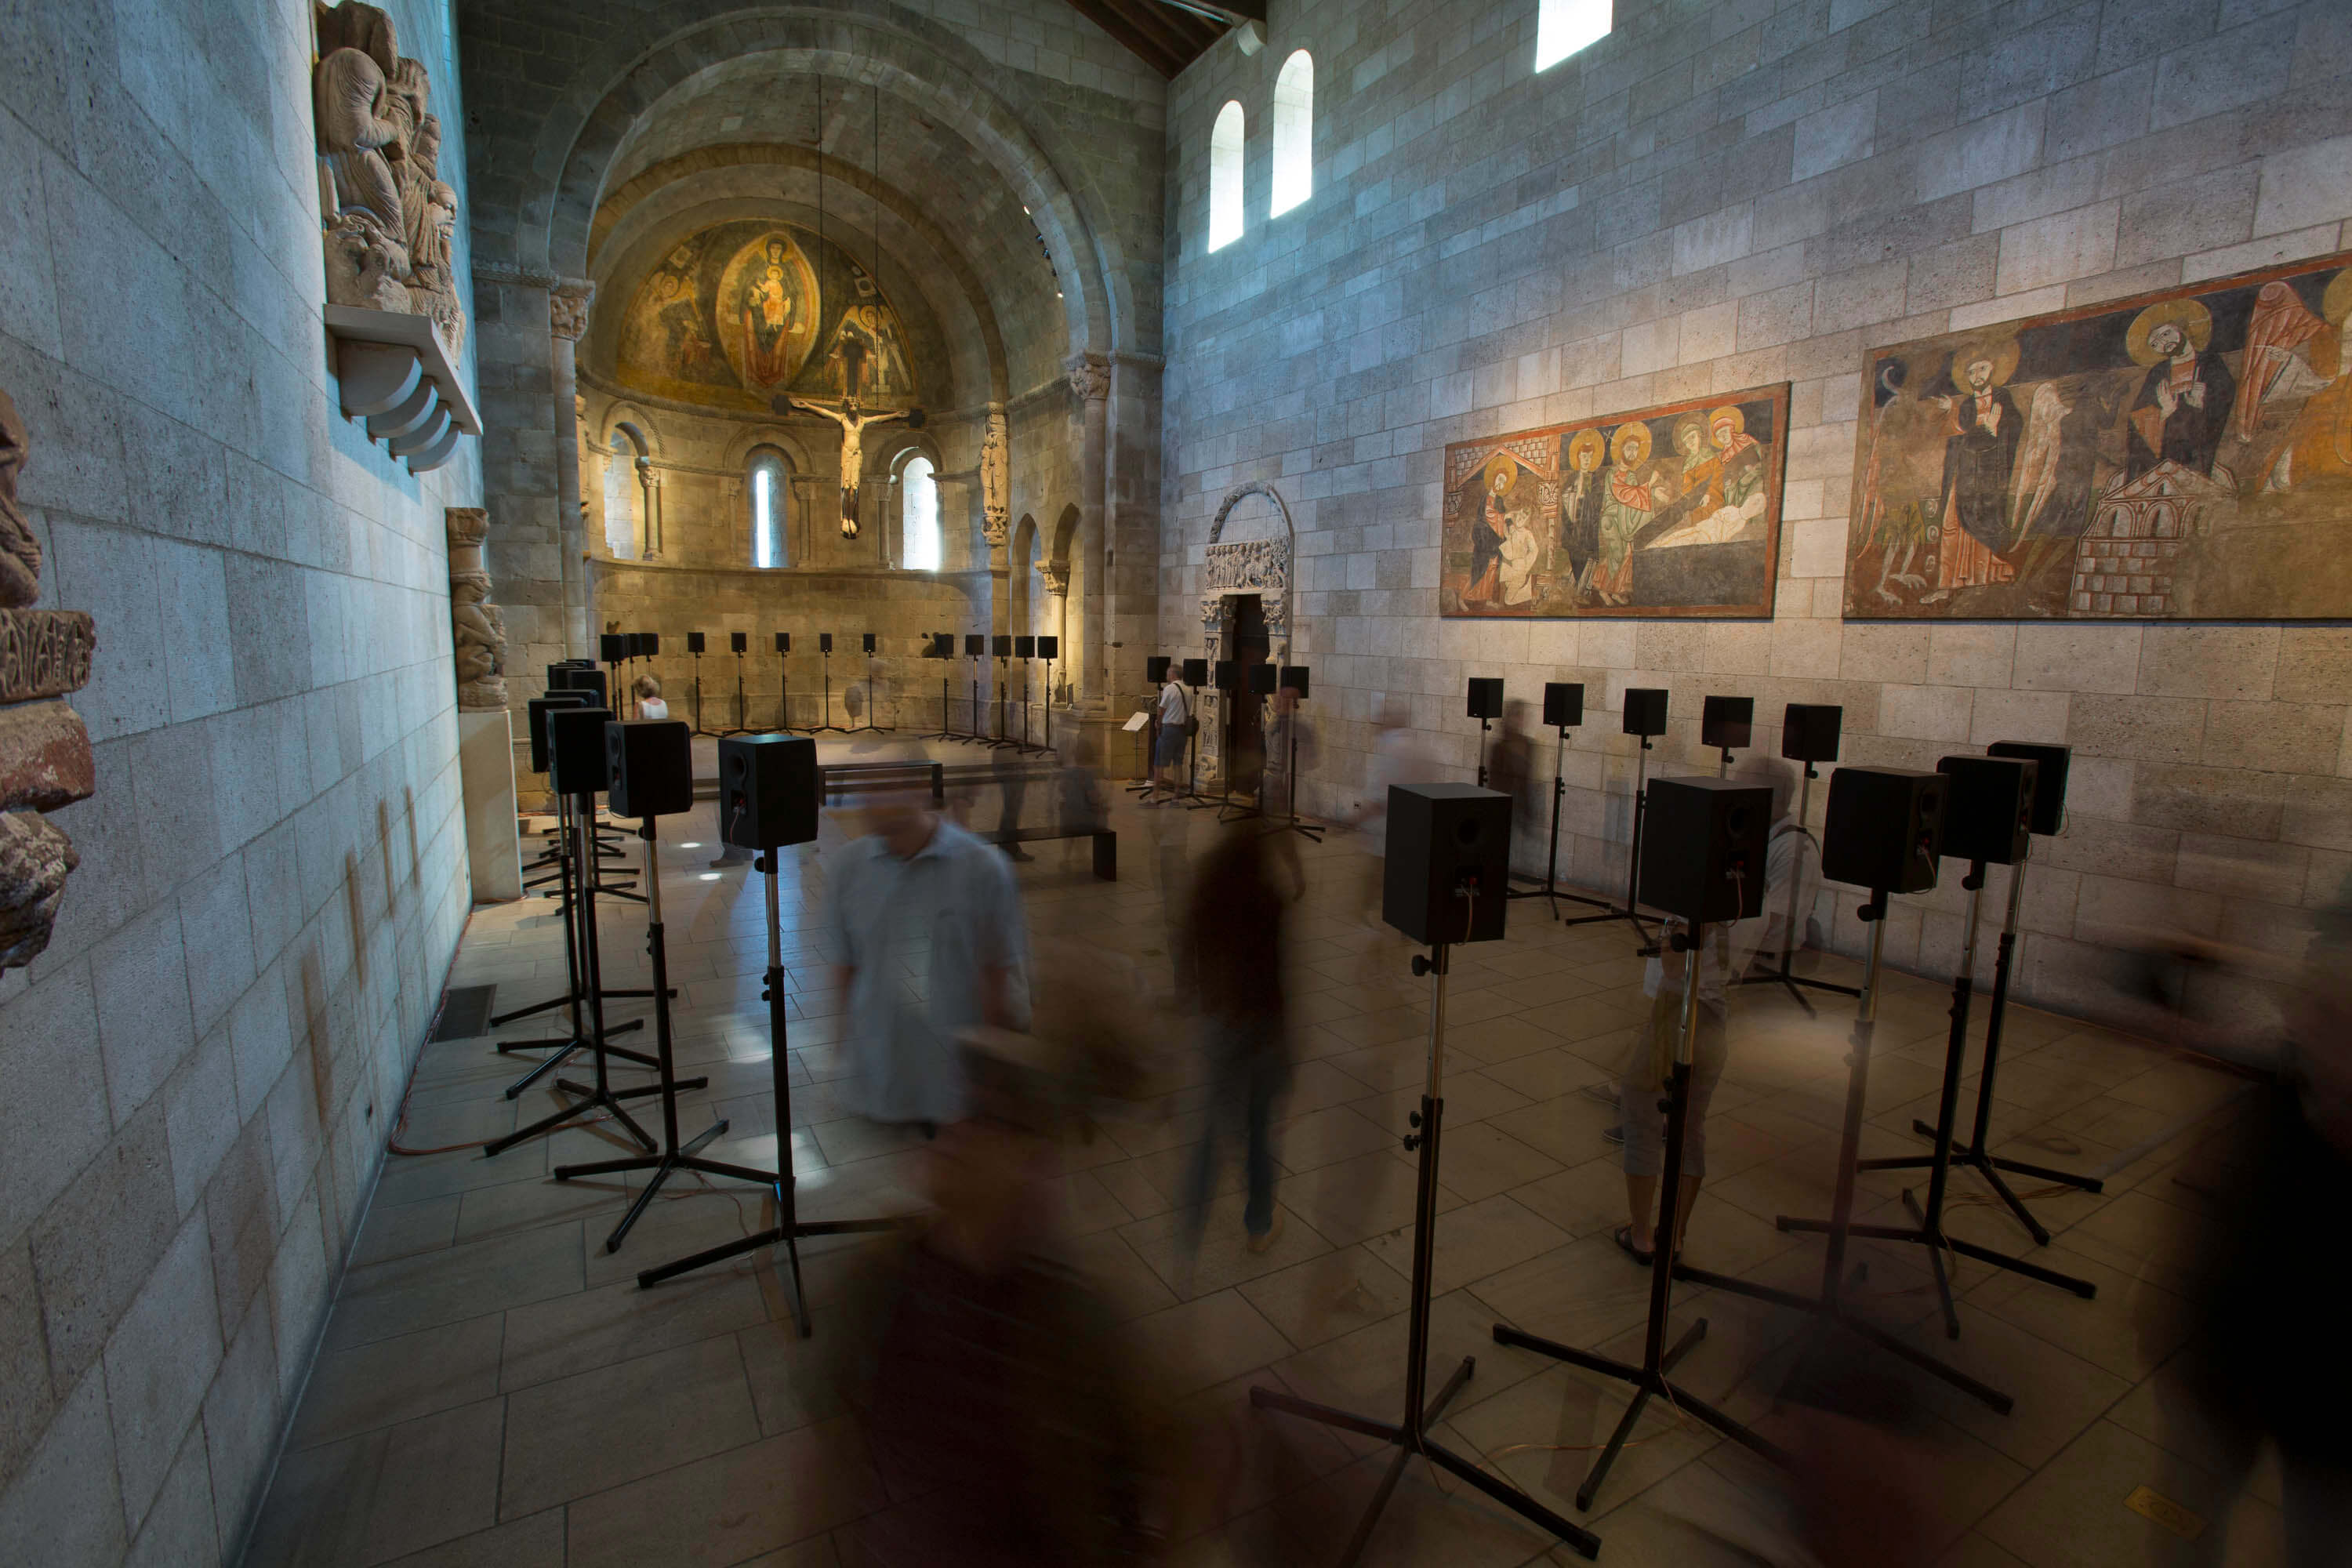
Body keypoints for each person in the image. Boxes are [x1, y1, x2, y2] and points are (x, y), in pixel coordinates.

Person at [829, 779, 1031, 1130]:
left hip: (957, 1088)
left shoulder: (981, 866)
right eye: (868, 790)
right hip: (879, 1083)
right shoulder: (848, 867)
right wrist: (842, 1046)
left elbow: (999, 975)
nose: (871, 800)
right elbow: (845, 965)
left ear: (920, 791)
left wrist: (994, 1076)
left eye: (885, 787)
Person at [1178, 822, 1301, 1256]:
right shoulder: (1267, 898)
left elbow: (1187, 959)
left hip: (1220, 1024)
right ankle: (1259, 1225)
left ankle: (1188, 1232)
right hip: (1261, 1030)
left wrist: (1199, 1002)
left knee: (1212, 1132)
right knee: (1258, 1133)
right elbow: (1276, 978)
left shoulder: (1205, 891)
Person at [1152, 667, 1192, 797]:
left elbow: (1161, 709)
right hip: (1182, 731)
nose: (1166, 675)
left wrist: (1158, 724)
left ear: (1173, 674)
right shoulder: (1188, 689)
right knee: (1178, 764)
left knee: (1159, 764)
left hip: (1169, 730)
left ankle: (1155, 797)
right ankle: (1176, 797)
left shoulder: (1170, 688)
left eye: (1168, 673)